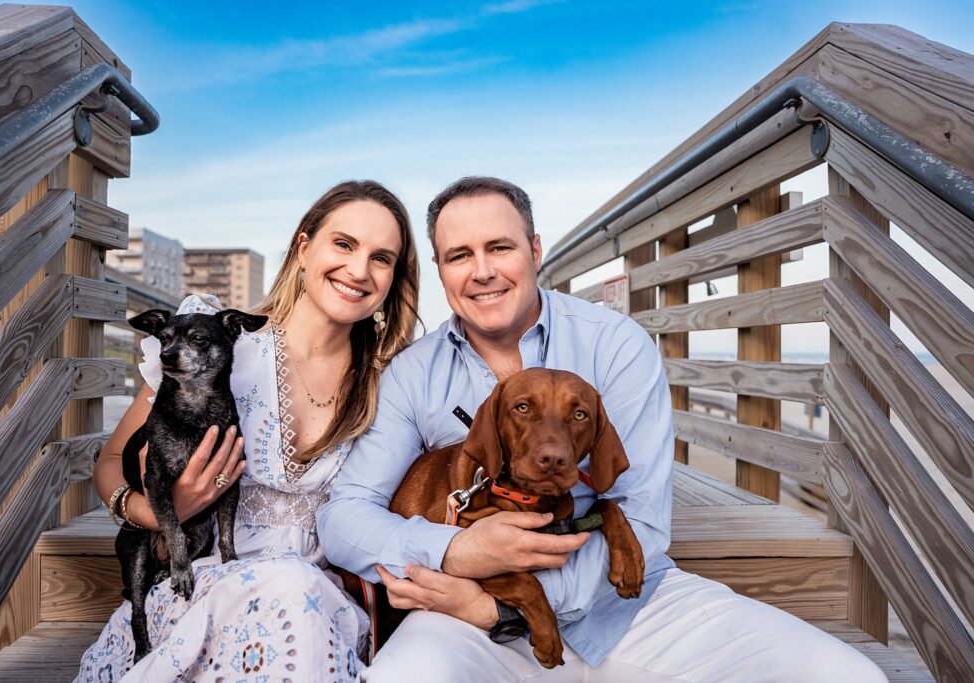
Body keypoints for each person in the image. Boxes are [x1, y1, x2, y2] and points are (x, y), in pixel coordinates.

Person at [317, 176, 889, 682]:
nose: (483, 270)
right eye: (459, 255)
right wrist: (458, 551)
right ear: (441, 270)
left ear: (535, 251)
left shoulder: (614, 345)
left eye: (500, 247)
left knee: (844, 674)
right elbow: (345, 518)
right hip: (468, 615)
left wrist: (512, 609)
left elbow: (638, 515)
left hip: (625, 607)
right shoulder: (414, 375)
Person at [77, 180, 420, 682]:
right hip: (201, 585)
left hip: (318, 605)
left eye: (382, 258)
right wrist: (155, 513)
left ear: (394, 277)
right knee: (286, 591)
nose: (359, 270)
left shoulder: (391, 381)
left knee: (296, 593)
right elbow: (111, 463)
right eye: (343, 244)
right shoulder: (217, 344)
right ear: (304, 248)